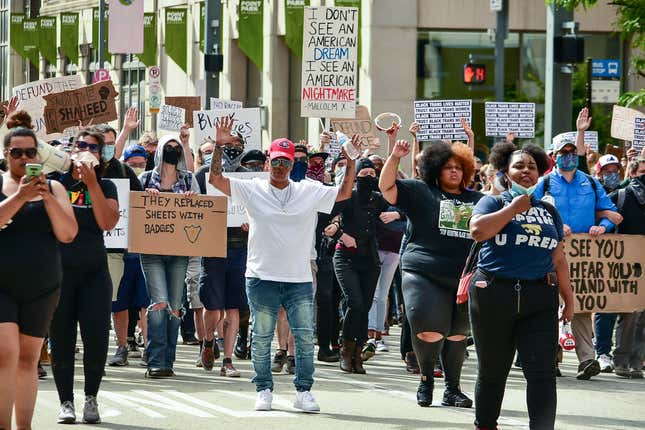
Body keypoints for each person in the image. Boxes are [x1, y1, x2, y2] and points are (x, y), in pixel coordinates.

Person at [209, 134, 357, 412]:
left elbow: (344, 193)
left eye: (285, 163)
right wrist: (218, 146)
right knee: (262, 336)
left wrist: (350, 161)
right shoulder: (252, 188)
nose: (279, 167)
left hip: (298, 278)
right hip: (261, 276)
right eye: (275, 161)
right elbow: (216, 180)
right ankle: (263, 388)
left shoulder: (308, 190)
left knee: (303, 337)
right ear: (268, 162)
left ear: (292, 166)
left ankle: (304, 391)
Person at [468, 141, 574, 430]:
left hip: (539, 297)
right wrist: (513, 209)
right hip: (493, 294)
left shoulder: (549, 211)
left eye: (532, 167)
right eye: (519, 166)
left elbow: (558, 257)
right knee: (493, 371)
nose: (526, 171)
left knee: (542, 373)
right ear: (504, 171)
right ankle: (486, 424)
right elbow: (478, 231)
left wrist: (569, 297)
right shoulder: (493, 201)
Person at [379, 137, 482, 408]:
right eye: (448, 166)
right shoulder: (420, 191)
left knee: (458, 334)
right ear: (435, 168)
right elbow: (386, 187)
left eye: (459, 167)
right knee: (428, 329)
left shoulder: (479, 200)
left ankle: (453, 389)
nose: (454, 171)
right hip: (423, 271)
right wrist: (395, 156)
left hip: (463, 276)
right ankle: (426, 380)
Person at [0, 120, 77, 430]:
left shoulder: (55, 187)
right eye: (17, 152)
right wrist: (20, 196)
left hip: (42, 285)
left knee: (27, 360)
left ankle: (24, 426)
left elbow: (68, 233)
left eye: (30, 152)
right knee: (6, 353)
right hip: (2, 284)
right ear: (6, 154)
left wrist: (45, 196)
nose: (24, 159)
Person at [532, 108, 618, 381]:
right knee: (552, 306)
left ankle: (587, 360)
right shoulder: (543, 184)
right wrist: (555, 226)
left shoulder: (591, 183)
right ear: (554, 157)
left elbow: (612, 213)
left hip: (583, 257)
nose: (569, 156)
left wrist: (601, 227)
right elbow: (529, 211)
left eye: (573, 152)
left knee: (580, 306)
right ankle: (551, 358)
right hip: (551, 254)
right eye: (563, 152)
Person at [49, 128, 120, 424]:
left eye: (94, 146)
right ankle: (66, 402)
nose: (87, 150)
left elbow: (107, 221)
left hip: (94, 272)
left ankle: (91, 397)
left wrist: (92, 184)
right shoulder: (56, 184)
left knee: (96, 338)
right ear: (72, 149)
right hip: (60, 273)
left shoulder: (107, 187)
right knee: (61, 338)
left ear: (101, 155)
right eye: (81, 145)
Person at [138, 135, 198, 378]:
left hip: (179, 252)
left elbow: (201, 211)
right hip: (151, 251)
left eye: (177, 147)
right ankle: (155, 360)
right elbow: (133, 208)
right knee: (159, 303)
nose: (173, 151)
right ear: (160, 151)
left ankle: (168, 360)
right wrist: (145, 197)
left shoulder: (189, 179)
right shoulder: (145, 178)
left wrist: (192, 202)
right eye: (169, 147)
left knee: (174, 307)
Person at [196, 119, 249, 377]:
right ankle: (208, 341)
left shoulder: (250, 177)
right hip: (212, 247)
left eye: (236, 144)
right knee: (213, 307)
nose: (232, 147)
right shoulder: (201, 175)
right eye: (228, 143)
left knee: (233, 307)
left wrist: (254, 225)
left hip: (240, 249)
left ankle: (227, 359)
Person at [332, 157, 390, 374]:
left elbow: (405, 205)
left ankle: (358, 352)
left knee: (364, 306)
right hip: (345, 256)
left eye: (373, 174)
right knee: (354, 302)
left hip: (370, 258)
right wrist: (341, 234)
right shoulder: (348, 197)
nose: (369, 178)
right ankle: (346, 350)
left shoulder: (378, 199)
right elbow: (324, 221)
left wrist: (396, 213)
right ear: (356, 176)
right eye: (364, 174)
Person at [107, 144, 150, 367]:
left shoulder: (127, 174)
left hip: (138, 248)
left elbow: (142, 200)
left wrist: (149, 197)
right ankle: (122, 346)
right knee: (119, 303)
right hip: (115, 250)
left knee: (145, 303)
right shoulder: (96, 176)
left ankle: (148, 348)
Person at [604, 158, 645, 379]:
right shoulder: (620, 196)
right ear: (632, 173)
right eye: (642, 172)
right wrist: (606, 217)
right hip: (628, 264)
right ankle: (621, 359)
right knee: (630, 314)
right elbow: (599, 212)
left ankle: (637, 362)